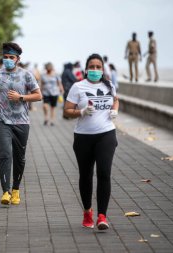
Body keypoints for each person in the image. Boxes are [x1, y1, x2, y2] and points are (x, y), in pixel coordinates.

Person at [63, 53, 119, 231]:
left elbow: (115, 100)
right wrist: (81, 112)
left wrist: (114, 111)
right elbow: (66, 112)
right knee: (86, 176)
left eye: (98, 67)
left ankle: (102, 216)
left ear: (103, 70)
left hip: (106, 134)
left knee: (104, 173)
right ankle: (87, 212)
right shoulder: (78, 87)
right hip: (83, 137)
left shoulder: (109, 85)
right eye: (92, 67)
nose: (95, 70)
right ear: (86, 70)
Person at [0, 42, 42, 205]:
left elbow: (38, 95)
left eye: (11, 57)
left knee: (20, 158)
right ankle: (6, 191)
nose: (8, 60)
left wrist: (21, 97)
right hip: (1, 120)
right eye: (5, 57)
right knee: (5, 153)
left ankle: (16, 189)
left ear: (18, 59)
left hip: (22, 122)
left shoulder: (26, 75)